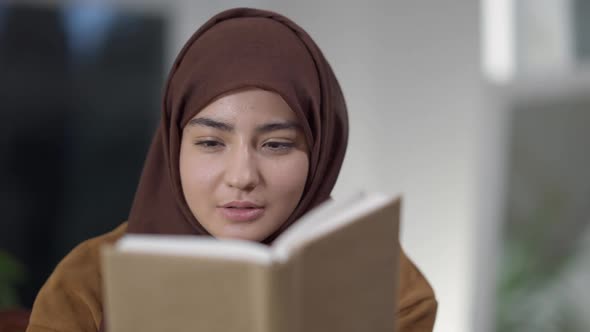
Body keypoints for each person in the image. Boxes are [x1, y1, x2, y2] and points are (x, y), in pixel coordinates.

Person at [25, 8, 437, 332]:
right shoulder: (88, 281)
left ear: (321, 152)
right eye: (210, 143)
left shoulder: (389, 289)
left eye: (276, 145)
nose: (242, 176)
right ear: (173, 147)